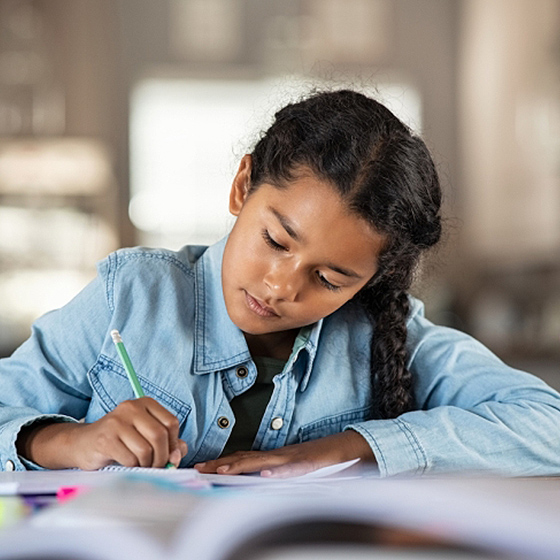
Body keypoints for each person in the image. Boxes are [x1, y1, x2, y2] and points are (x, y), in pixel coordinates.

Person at [1, 89, 560, 477]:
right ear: (243, 186)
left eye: (330, 278)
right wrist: (69, 442)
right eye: (276, 241)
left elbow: (546, 425)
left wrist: (347, 449)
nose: (281, 287)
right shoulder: (130, 294)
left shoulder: (385, 335)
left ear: (370, 281)